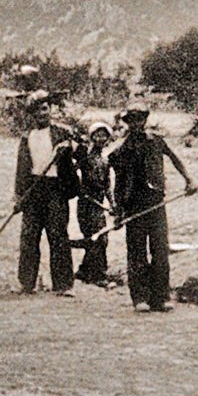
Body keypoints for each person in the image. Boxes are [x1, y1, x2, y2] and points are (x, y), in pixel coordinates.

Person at [110, 98, 197, 311]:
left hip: (156, 201)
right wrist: (119, 211)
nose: (136, 124)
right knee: (137, 251)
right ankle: (140, 298)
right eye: (132, 120)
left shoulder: (156, 141)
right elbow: (119, 182)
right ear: (127, 122)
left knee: (160, 250)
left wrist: (189, 180)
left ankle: (161, 297)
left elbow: (175, 159)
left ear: (145, 120)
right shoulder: (122, 149)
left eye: (140, 119)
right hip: (134, 204)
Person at [14, 92, 79, 296]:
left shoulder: (62, 133)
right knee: (29, 237)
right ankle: (26, 283)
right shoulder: (27, 138)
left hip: (55, 190)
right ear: (32, 115)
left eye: (45, 109)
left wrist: (70, 147)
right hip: (34, 189)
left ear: (50, 110)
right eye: (37, 110)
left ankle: (63, 285)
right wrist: (19, 196)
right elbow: (21, 169)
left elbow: (82, 151)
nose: (42, 113)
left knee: (58, 236)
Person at [75, 122, 115, 286]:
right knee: (96, 238)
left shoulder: (105, 160)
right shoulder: (85, 157)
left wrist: (112, 204)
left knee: (99, 238)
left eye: (104, 135)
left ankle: (84, 271)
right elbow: (72, 171)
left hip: (99, 203)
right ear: (92, 137)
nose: (101, 138)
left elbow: (107, 184)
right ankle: (99, 276)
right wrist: (79, 188)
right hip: (86, 203)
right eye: (97, 135)